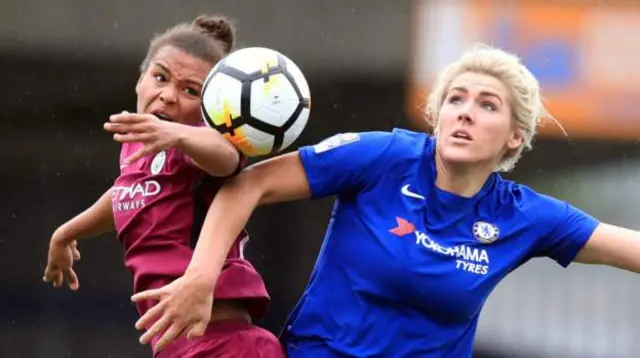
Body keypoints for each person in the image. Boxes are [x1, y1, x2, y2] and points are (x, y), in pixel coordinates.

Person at [130, 43, 640, 357]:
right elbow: (249, 183)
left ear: (514, 136)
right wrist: (200, 278)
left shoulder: (523, 215)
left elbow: (627, 246)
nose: (465, 113)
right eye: (455, 100)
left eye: (487, 106)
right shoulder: (384, 157)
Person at [42, 14, 285, 358]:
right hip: (179, 347)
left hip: (223, 342)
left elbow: (227, 158)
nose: (168, 96)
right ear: (140, 81)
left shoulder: (199, 143)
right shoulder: (137, 146)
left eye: (190, 91)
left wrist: (179, 136)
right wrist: (66, 232)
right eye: (160, 77)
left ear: (210, 107)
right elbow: (128, 193)